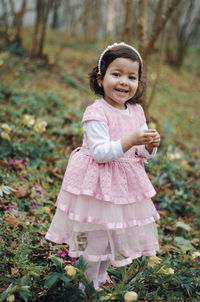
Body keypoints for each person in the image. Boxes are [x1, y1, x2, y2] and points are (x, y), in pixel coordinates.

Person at [45, 42, 161, 291]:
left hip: (124, 185)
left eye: (131, 76)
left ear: (138, 82)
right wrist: (130, 140)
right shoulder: (96, 112)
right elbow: (100, 153)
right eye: (116, 74)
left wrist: (149, 145)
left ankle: (102, 275)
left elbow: (139, 152)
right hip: (96, 183)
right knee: (96, 234)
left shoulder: (137, 111)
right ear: (100, 78)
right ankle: (86, 282)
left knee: (115, 232)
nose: (123, 82)